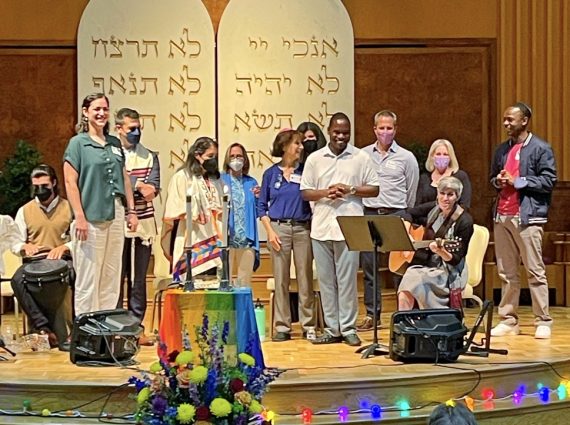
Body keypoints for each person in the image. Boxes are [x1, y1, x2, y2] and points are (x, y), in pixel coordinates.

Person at [300, 113, 379, 346]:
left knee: (347, 281)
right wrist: (327, 192)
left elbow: (374, 189)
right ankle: (332, 329)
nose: (341, 136)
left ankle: (348, 328)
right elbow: (305, 192)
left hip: (350, 227)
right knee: (326, 281)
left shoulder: (361, 157)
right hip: (322, 227)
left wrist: (350, 189)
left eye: (345, 132)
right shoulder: (315, 159)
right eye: (337, 132)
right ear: (329, 130)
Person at [63, 93, 138, 316]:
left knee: (111, 275)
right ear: (86, 112)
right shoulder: (78, 143)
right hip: (90, 215)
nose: (101, 113)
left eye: (105, 109)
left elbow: (124, 179)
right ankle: (87, 333)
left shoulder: (115, 143)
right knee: (88, 276)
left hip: (115, 212)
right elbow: (70, 181)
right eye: (96, 109)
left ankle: (105, 329)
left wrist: (131, 211)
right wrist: (79, 217)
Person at [489, 102, 557, 339]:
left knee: (534, 270)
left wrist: (520, 181)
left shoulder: (540, 148)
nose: (506, 123)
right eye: (505, 120)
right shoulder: (501, 150)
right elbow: (492, 180)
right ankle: (508, 320)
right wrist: (499, 181)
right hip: (502, 215)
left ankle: (543, 320)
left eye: (511, 120)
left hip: (527, 216)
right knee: (506, 272)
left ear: (525, 120)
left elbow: (549, 181)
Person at [358, 110, 419, 330]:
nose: (385, 132)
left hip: (396, 214)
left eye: (389, 128)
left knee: (399, 268)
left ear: (395, 129)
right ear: (374, 129)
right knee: (369, 267)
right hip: (371, 215)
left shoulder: (406, 157)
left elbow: (411, 190)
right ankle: (372, 315)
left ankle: (402, 315)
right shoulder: (362, 155)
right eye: (381, 128)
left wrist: (403, 212)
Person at [10, 164, 74, 351]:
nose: (40, 190)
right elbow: (14, 241)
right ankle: (43, 327)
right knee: (17, 279)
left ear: (54, 183)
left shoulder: (69, 207)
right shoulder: (25, 211)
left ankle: (71, 330)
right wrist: (24, 246)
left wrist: (64, 247)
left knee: (76, 277)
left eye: (44, 185)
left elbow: (79, 240)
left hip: (62, 260)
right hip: (34, 262)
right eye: (36, 186)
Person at [258, 130, 314, 342]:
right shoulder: (271, 174)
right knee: (281, 279)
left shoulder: (306, 171)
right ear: (284, 147)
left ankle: (308, 324)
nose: (300, 147)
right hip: (278, 229)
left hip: (302, 228)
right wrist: (270, 231)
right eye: (296, 143)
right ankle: (282, 326)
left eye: (301, 143)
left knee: (305, 278)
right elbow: (261, 206)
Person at [114, 108, 160, 345]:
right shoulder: (111, 153)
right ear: (119, 128)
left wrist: (133, 184)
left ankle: (135, 326)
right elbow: (113, 187)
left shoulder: (150, 156)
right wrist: (136, 184)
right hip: (115, 224)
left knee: (138, 278)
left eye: (138, 127)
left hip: (142, 225)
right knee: (116, 277)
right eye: (131, 128)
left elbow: (152, 191)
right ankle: (113, 326)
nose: (136, 132)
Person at [398, 176, 473, 310]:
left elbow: (455, 259)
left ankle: (429, 320)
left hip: (449, 271)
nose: (445, 198)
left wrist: (440, 251)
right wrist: (406, 234)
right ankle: (404, 322)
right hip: (428, 264)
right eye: (442, 193)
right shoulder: (434, 209)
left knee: (416, 280)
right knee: (409, 277)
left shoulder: (464, 221)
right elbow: (407, 213)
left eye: (450, 195)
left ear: (457, 197)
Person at [161, 137, 223, 282]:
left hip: (215, 239)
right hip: (191, 236)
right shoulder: (182, 177)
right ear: (197, 155)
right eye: (209, 156)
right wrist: (195, 212)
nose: (213, 160)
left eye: (215, 157)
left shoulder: (215, 179)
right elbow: (174, 206)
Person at [220, 143, 260, 286]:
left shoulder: (251, 182)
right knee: (224, 281)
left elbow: (257, 210)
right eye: (232, 156)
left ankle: (243, 309)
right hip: (226, 239)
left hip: (246, 238)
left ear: (245, 159)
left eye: (239, 156)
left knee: (244, 283)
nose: (236, 159)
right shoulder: (220, 179)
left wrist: (258, 197)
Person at [409, 138, 472, 225]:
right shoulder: (424, 178)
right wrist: (431, 221)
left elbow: (464, 206)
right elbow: (417, 209)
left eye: (445, 154)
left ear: (451, 157)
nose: (441, 157)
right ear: (432, 156)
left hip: (451, 225)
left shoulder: (460, 177)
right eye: (438, 154)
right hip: (426, 225)